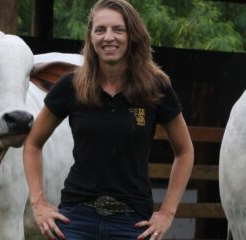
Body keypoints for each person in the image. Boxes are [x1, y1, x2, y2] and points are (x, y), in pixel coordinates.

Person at [23, 0, 194, 239]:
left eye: (118, 29)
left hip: (133, 223)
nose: (108, 37)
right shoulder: (71, 86)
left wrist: (167, 212)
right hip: (76, 220)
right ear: (91, 36)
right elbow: (32, 144)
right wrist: (38, 203)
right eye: (100, 30)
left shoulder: (156, 87)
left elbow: (184, 151)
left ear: (132, 35)